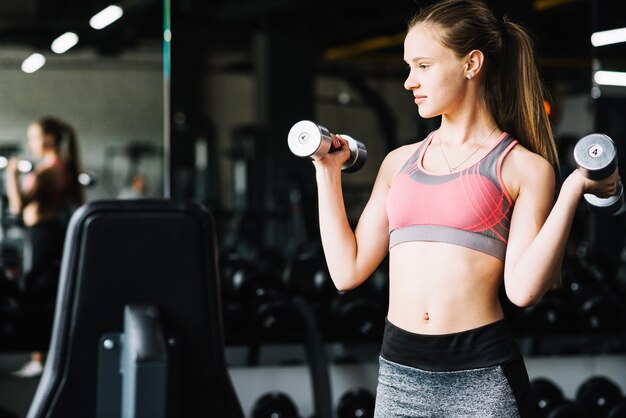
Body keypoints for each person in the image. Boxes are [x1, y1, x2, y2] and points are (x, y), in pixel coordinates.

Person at [312, 1, 620, 416]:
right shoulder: (398, 163)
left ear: (471, 64)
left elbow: (523, 291)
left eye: (422, 65)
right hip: (399, 377)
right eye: (408, 67)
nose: (408, 82)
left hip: (483, 379)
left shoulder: (522, 167)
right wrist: (327, 170)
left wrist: (573, 188)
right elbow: (345, 272)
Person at [5, 116, 84, 377]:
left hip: (42, 234)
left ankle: (39, 358)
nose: (30, 143)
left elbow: (17, 207)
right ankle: (44, 357)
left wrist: (11, 175)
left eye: (34, 138)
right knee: (44, 293)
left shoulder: (47, 172)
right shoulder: (62, 167)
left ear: (49, 139)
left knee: (35, 294)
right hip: (50, 234)